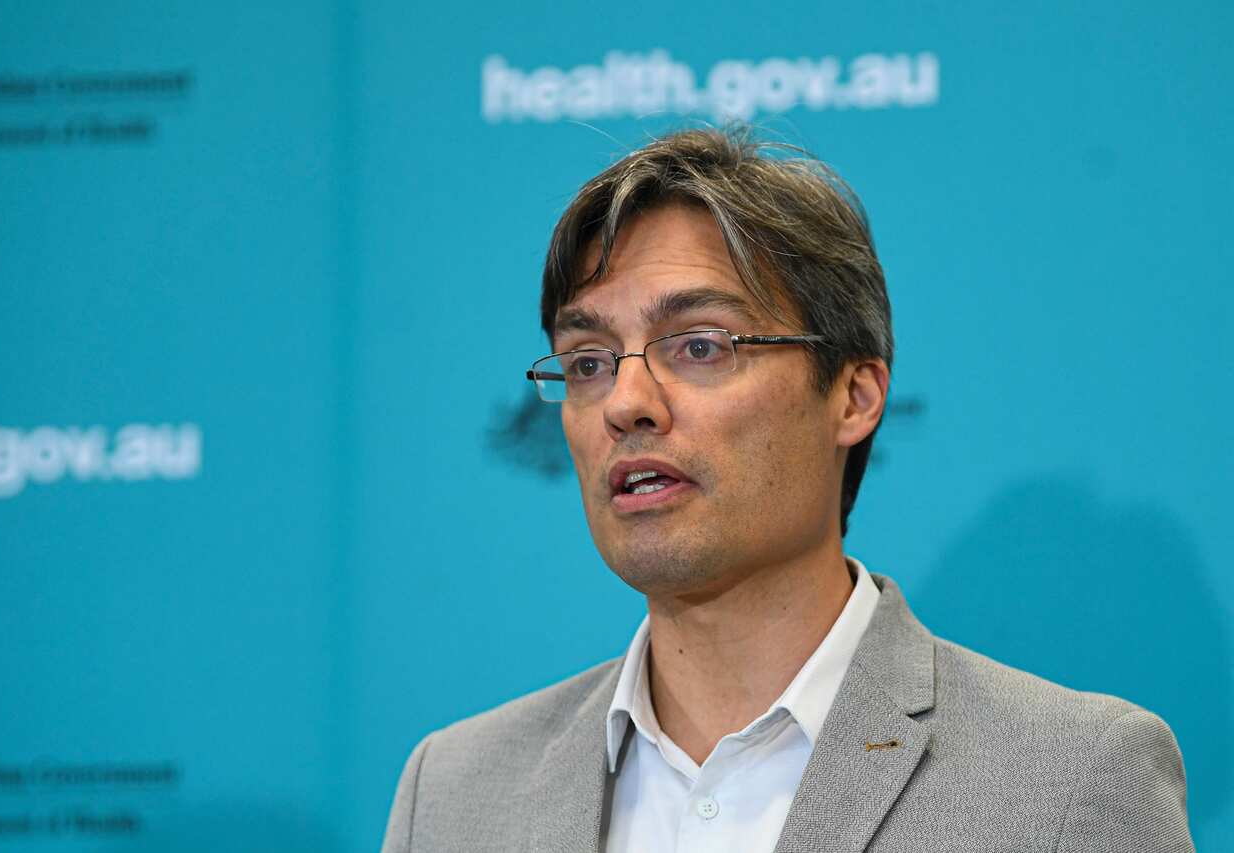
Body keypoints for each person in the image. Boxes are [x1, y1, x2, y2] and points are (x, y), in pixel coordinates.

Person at [381, 127, 1192, 852]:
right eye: (588, 361)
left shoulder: (1070, 782)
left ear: (855, 395)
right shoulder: (451, 793)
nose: (626, 402)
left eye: (698, 346)